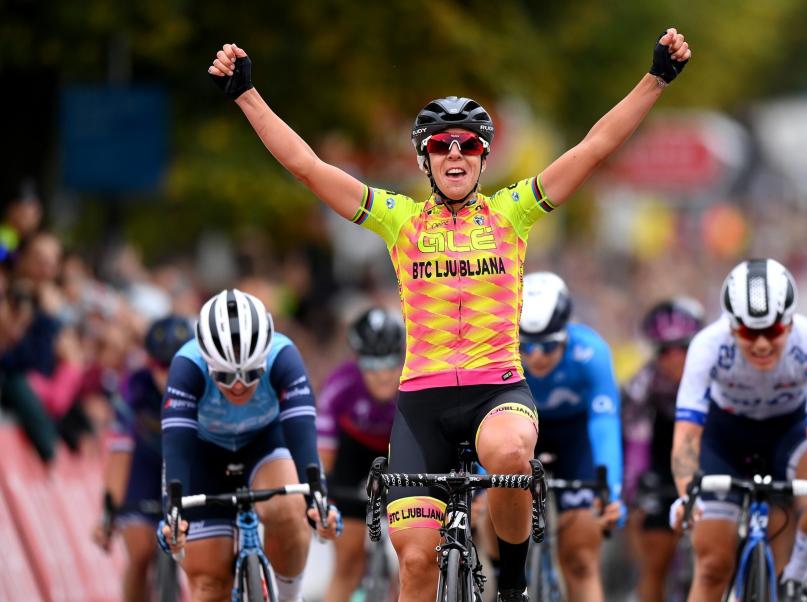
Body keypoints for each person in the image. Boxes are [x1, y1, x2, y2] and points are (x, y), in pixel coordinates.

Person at [208, 29, 691, 601]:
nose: (455, 153)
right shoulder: (399, 220)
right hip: (422, 404)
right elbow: (309, 167)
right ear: (425, 158)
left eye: (467, 144)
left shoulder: (514, 211)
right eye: (441, 145)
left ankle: (511, 580)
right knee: (415, 559)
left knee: (511, 455)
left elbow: (593, 148)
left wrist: (655, 79)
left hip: (498, 390)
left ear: (484, 157)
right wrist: (246, 95)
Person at [669, 259, 807, 602]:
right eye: (751, 333)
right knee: (712, 565)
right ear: (731, 326)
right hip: (725, 441)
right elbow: (688, 434)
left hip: (790, 435)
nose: (763, 344)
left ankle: (795, 577)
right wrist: (685, 495)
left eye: (774, 331)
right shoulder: (707, 346)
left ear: (790, 321)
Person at [157, 289, 340, 602]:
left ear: (265, 359)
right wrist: (174, 517)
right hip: (204, 453)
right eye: (225, 376)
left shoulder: (284, 356)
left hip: (264, 443)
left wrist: (318, 500)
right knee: (208, 582)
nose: (239, 385)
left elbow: (302, 435)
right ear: (208, 362)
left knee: (288, 508)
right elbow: (177, 446)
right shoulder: (187, 366)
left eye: (251, 373)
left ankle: (288, 597)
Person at [517, 271, 624, 600]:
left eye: (548, 346)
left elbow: (604, 424)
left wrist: (611, 492)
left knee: (580, 559)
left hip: (576, 437)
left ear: (566, 335)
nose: (536, 356)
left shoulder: (591, 353)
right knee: (491, 514)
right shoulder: (499, 351)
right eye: (527, 346)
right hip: (523, 432)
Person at [93, 315, 192, 602]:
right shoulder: (133, 386)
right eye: (160, 366)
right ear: (149, 362)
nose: (167, 374)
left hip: (188, 463)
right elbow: (120, 452)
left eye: (174, 365)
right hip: (146, 466)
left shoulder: (203, 384)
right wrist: (109, 511)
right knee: (139, 553)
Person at [318, 307, 403, 602]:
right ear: (357, 360)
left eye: (391, 363)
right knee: (348, 562)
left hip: (397, 453)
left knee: (412, 559)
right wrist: (325, 491)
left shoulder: (412, 385)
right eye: (372, 365)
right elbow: (325, 451)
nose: (382, 374)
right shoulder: (341, 385)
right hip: (352, 457)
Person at [622, 297, 704, 602]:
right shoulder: (643, 384)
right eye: (663, 351)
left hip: (708, 457)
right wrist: (635, 488)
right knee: (654, 557)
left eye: (683, 348)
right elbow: (636, 443)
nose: (673, 358)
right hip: (660, 463)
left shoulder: (716, 376)